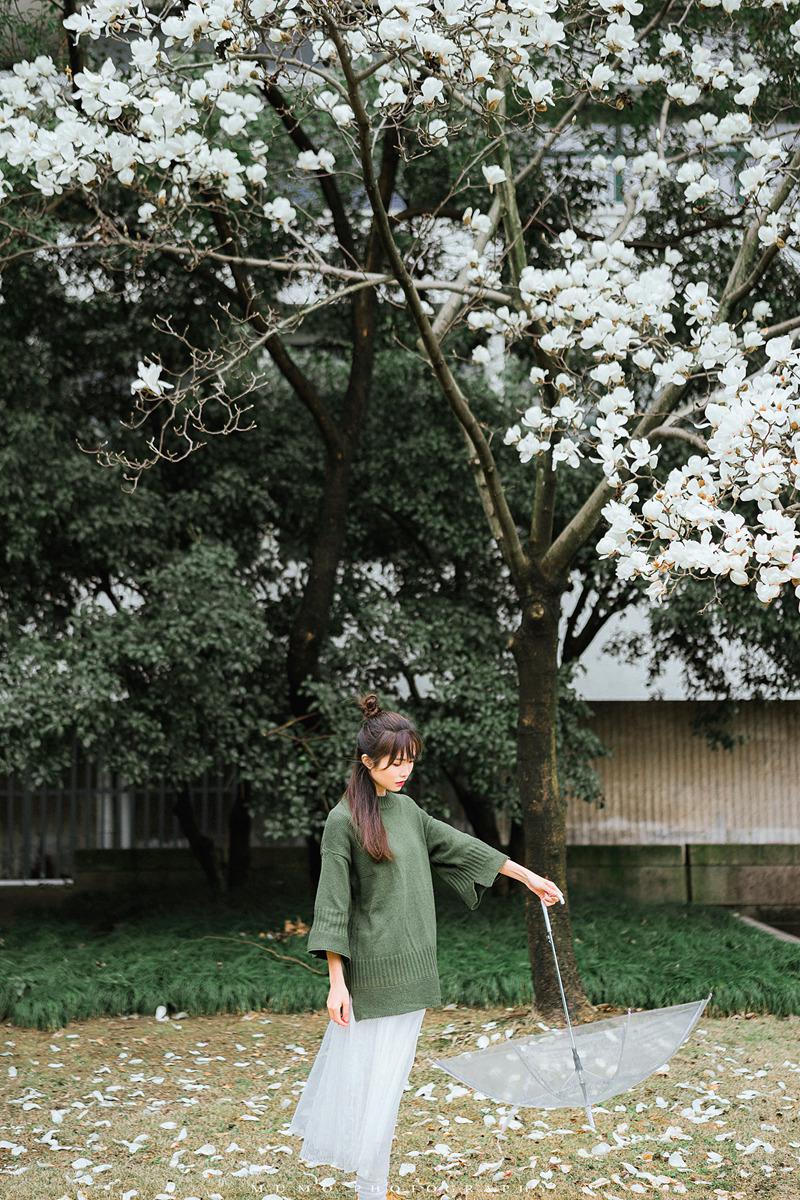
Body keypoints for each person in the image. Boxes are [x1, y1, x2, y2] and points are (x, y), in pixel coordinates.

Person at [287, 692, 563, 1200]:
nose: (404, 771)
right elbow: (332, 906)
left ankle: (372, 1185)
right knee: (369, 1085)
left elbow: (463, 846)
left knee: (388, 1087)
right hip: (371, 976)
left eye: (410, 760)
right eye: (394, 762)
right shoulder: (342, 821)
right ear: (366, 761)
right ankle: (371, 1188)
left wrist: (530, 878)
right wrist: (336, 984)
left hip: (414, 971)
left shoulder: (408, 810)